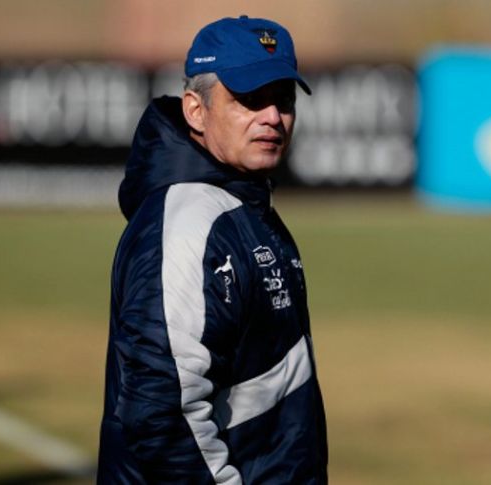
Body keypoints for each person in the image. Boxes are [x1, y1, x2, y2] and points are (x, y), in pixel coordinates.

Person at [96, 15, 328, 484]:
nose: (272, 117)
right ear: (195, 111)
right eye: (248, 99)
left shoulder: (242, 204)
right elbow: (159, 412)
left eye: (282, 99)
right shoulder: (191, 220)